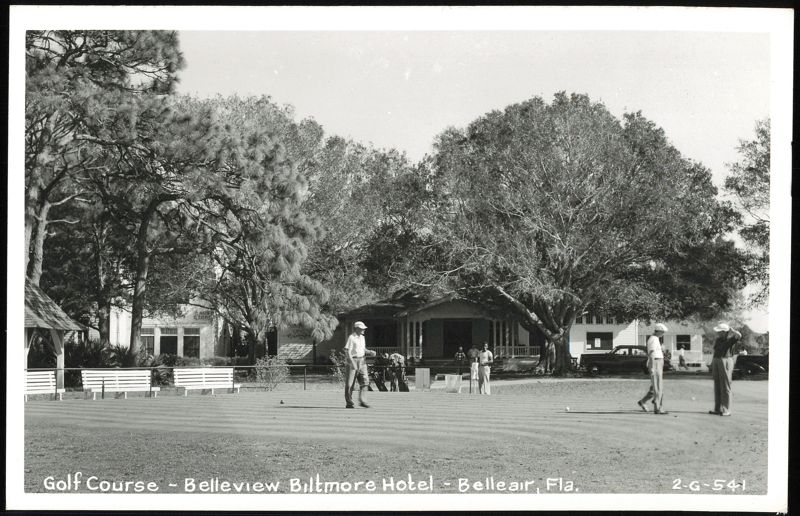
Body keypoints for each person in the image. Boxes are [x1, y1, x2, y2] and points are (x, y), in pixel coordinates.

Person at [709, 322, 742, 416]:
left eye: (720, 331)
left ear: (724, 332)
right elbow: (716, 351)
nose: (718, 333)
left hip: (726, 360)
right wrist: (712, 363)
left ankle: (726, 409)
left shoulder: (730, 339)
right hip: (717, 360)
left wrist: (732, 330)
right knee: (717, 385)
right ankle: (718, 409)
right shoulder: (718, 339)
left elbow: (739, 335)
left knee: (725, 385)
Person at [637, 323, 668, 415]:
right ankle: (657, 408)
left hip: (658, 362)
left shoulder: (656, 339)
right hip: (656, 363)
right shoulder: (653, 339)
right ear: (658, 331)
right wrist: (652, 367)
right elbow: (651, 354)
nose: (663, 334)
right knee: (657, 387)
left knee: (658, 386)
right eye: (662, 332)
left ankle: (655, 405)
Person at [344, 321, 375, 408]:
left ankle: (363, 401)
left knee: (365, 381)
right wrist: (352, 363)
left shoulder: (362, 338)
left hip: (362, 360)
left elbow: (363, 349)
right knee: (350, 384)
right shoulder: (351, 337)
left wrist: (370, 352)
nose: (364, 330)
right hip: (352, 360)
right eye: (362, 328)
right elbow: (347, 351)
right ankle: (349, 403)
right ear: (357, 328)